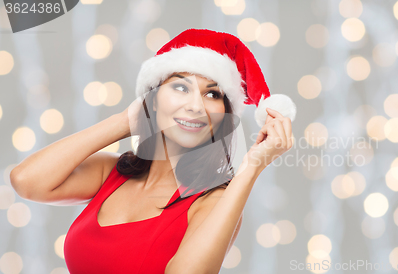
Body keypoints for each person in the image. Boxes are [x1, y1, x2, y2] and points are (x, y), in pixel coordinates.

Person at [10, 28, 297, 274]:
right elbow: (26, 180)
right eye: (181, 88)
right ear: (153, 98)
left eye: (212, 94)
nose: (196, 106)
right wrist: (124, 122)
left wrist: (252, 167)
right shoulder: (111, 173)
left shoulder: (212, 202)